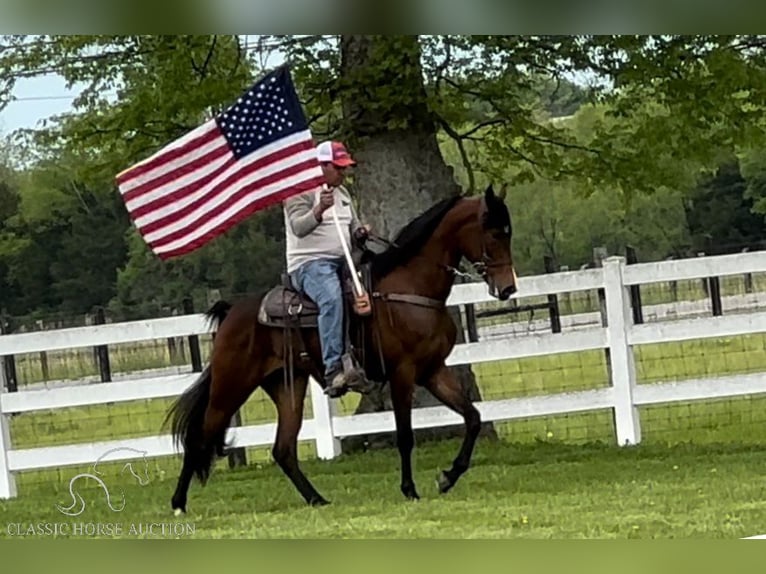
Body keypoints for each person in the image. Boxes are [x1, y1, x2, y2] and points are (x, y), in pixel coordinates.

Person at [283, 140, 372, 396]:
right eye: (339, 167)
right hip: (309, 264)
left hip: (345, 261)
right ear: (321, 166)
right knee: (332, 298)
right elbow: (299, 228)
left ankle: (363, 357)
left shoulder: (343, 195)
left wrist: (361, 232)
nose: (344, 173)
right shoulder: (298, 192)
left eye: (345, 168)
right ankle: (333, 368)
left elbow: (351, 229)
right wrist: (319, 208)